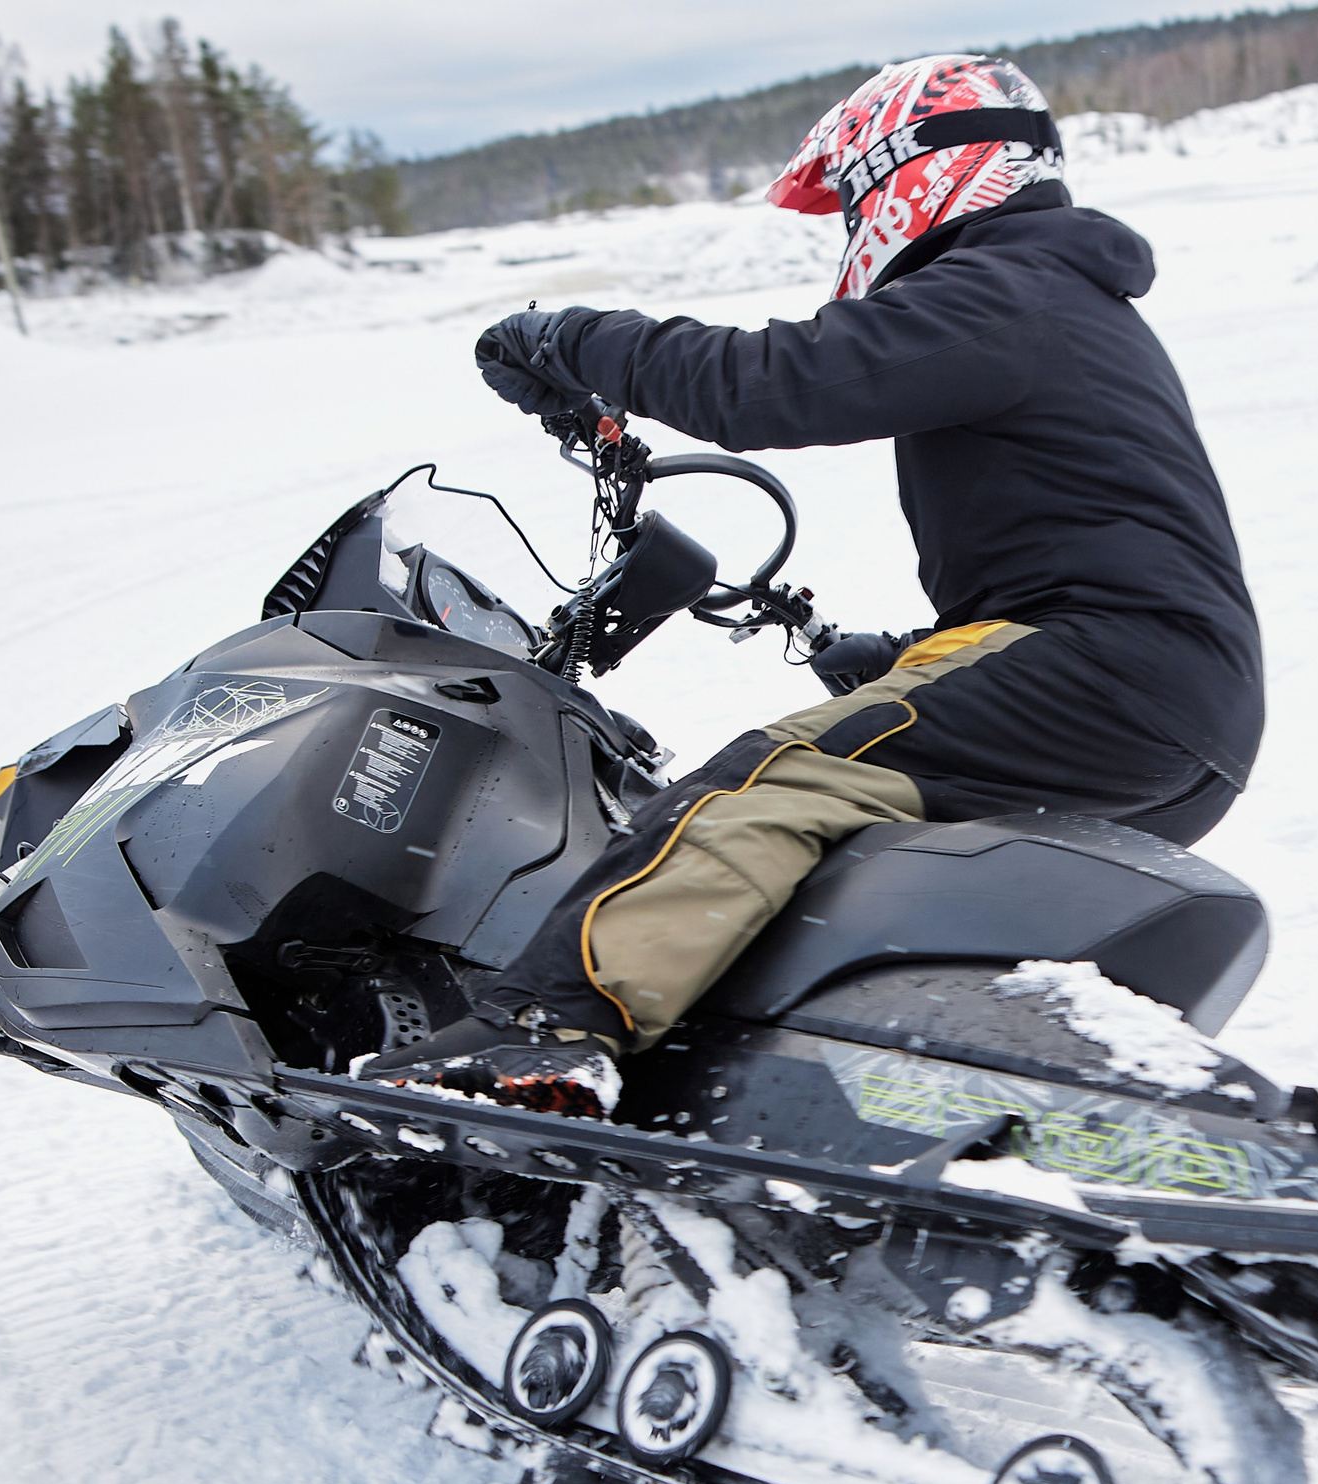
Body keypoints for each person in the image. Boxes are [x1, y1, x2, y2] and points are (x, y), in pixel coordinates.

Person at [364, 53, 1262, 1117]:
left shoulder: (1004, 287)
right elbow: (1085, 541)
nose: (848, 224)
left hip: (1106, 663)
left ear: (917, 169)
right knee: (862, 831)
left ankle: (546, 1032)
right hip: (1174, 703)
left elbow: (766, 386)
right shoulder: (1059, 298)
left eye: (849, 197)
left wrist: (565, 339)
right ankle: (864, 1077)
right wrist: (894, 661)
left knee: (765, 783)